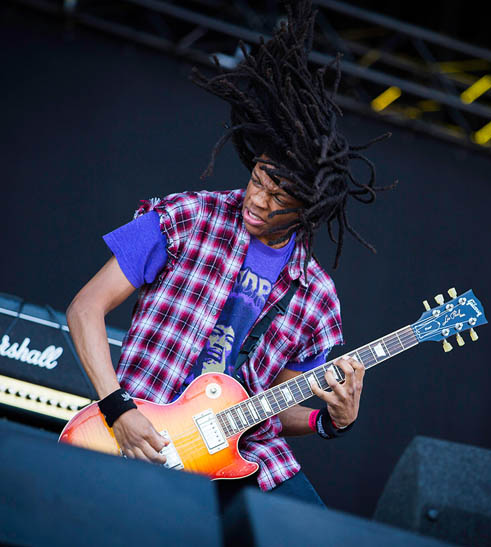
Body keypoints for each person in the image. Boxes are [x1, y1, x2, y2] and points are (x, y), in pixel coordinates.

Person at [66, 0, 395, 506]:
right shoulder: (185, 217)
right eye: (259, 180)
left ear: (310, 209)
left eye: (280, 198)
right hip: (143, 433)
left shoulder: (317, 298)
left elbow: (274, 407)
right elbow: (85, 308)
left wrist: (329, 420)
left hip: (247, 461)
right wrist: (118, 410)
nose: (259, 201)